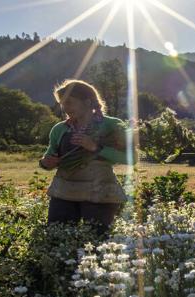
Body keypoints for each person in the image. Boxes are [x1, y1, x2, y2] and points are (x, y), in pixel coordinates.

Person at [39, 80, 134, 230]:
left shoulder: (112, 125)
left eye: (69, 102)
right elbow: (49, 156)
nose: (65, 108)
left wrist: (96, 147)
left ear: (88, 102)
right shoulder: (59, 129)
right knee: (57, 235)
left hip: (100, 193)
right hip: (64, 192)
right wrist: (46, 163)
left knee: (98, 238)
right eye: (62, 104)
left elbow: (132, 158)